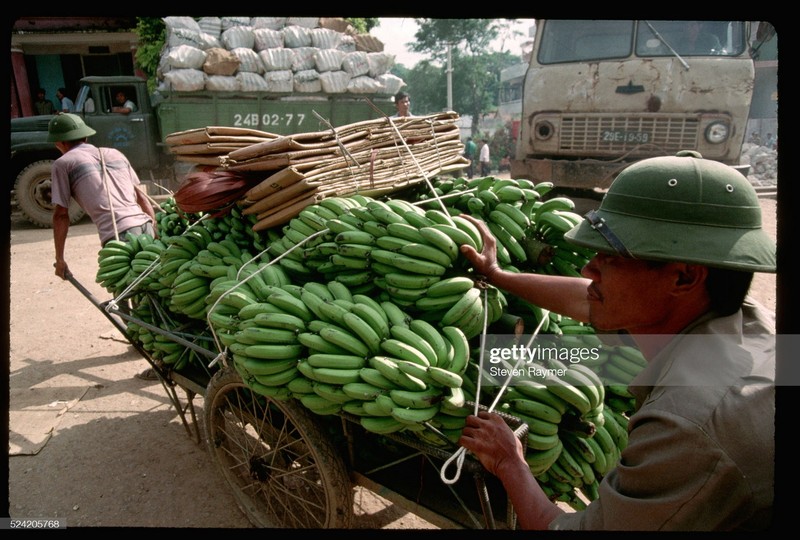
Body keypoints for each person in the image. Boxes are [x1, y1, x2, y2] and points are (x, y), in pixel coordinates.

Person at [457, 150, 776, 531]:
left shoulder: (686, 425)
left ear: (683, 277)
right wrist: (498, 275)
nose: (589, 268)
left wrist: (511, 463)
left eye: (612, 258)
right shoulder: (744, 318)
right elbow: (585, 296)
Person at [47, 113, 159, 380]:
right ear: (85, 135)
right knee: (153, 290)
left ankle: (157, 356)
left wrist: (59, 259)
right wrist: (154, 230)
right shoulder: (114, 152)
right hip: (143, 226)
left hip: (118, 235)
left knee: (126, 297)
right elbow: (141, 196)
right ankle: (147, 343)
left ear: (60, 143)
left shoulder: (63, 163)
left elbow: (61, 214)